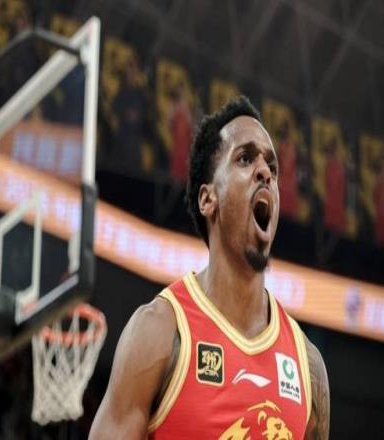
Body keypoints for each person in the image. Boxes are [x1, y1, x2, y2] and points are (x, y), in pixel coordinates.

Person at [89, 96, 330, 439]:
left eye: (272, 168)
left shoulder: (309, 366)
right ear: (207, 199)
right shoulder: (158, 332)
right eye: (245, 158)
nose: (265, 172)